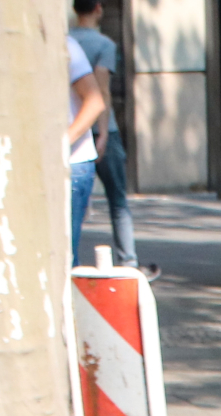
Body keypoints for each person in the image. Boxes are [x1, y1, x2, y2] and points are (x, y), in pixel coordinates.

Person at [70, 0, 159, 275]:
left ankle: (73, 262)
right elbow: (101, 91)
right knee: (117, 202)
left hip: (70, 129)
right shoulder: (103, 45)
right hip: (95, 133)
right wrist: (105, 132)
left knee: (74, 211)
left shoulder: (65, 41)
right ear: (98, 8)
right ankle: (129, 262)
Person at [64, 28, 108, 267]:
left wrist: (62, 143)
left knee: (63, 255)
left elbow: (95, 101)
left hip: (72, 163)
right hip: (38, 164)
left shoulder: (66, 47)